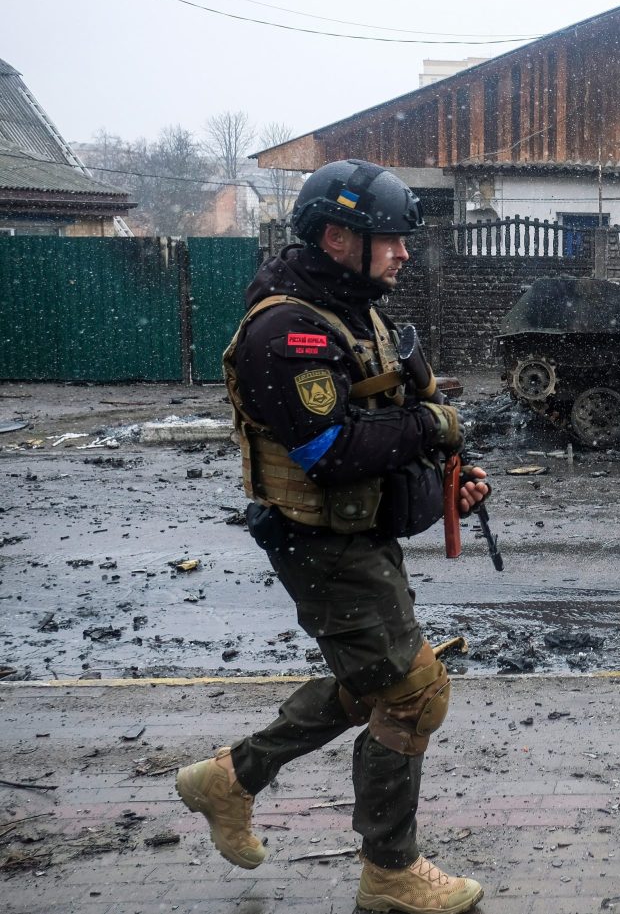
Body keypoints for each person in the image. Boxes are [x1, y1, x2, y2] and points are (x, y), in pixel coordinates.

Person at [176, 159, 490, 914]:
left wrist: (452, 463)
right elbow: (330, 452)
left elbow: (395, 405)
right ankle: (390, 870)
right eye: (391, 239)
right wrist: (426, 423)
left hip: (358, 533)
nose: (405, 253)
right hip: (318, 540)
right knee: (413, 692)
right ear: (339, 236)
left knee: (369, 682)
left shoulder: (352, 310)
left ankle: (229, 779)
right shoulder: (289, 329)